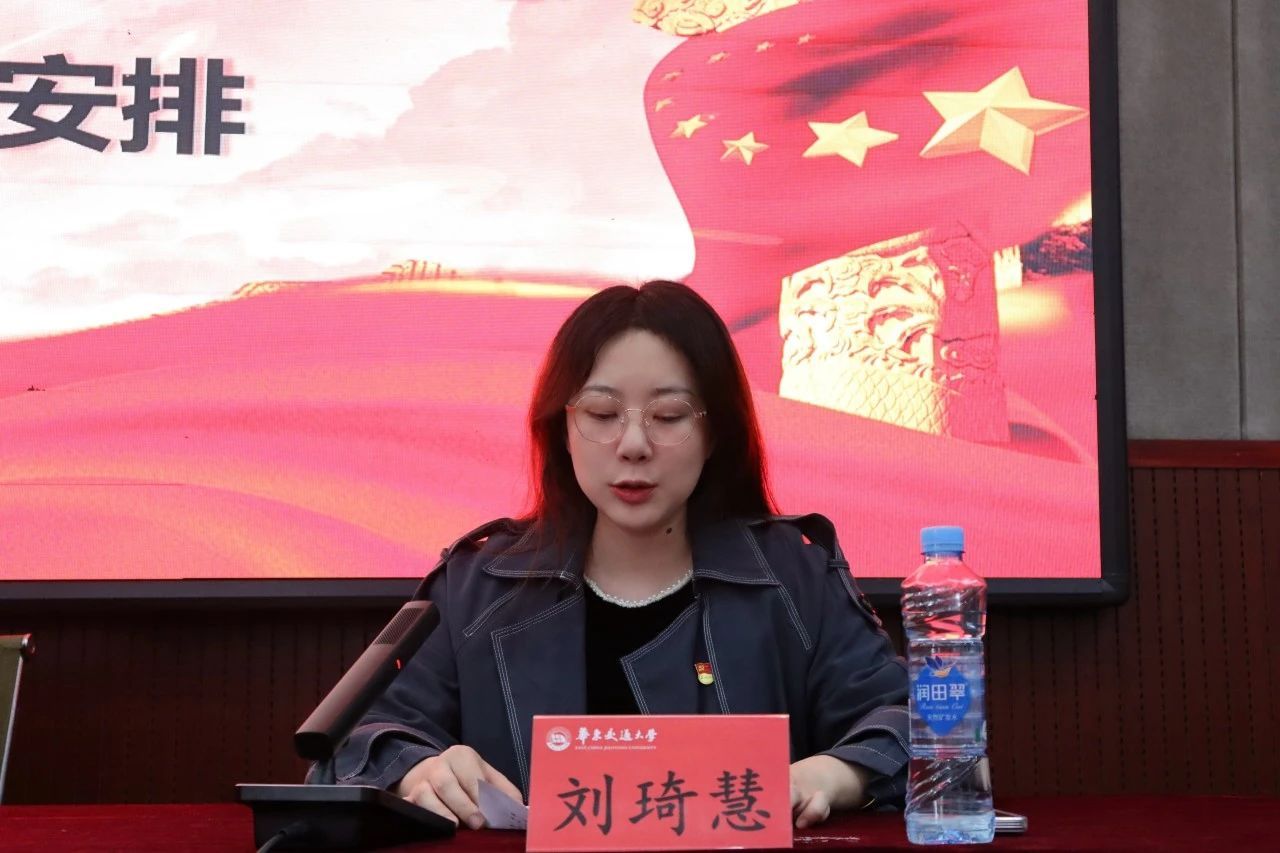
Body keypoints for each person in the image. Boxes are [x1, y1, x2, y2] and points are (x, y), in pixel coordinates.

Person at [311, 280, 908, 830]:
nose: (633, 445)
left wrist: (836, 774)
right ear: (562, 428)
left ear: (714, 433)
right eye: (601, 414)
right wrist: (418, 770)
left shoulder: (793, 577)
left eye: (668, 416)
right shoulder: (478, 587)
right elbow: (359, 744)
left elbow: (913, 724)